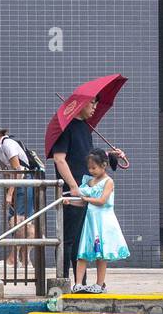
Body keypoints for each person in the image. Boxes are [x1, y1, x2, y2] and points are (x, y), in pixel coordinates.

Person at [50, 97, 128, 277]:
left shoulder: (86, 127)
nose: (95, 107)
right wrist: (73, 186)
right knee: (67, 238)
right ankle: (63, 280)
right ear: (80, 104)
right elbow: (59, 159)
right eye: (92, 102)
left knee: (81, 238)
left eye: (96, 103)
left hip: (87, 190)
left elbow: (89, 158)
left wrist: (111, 155)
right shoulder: (65, 129)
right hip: (73, 192)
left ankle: (80, 283)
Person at [64, 149, 130, 292]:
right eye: (89, 168)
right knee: (83, 252)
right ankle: (78, 284)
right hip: (91, 221)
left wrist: (85, 199)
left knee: (102, 254)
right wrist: (70, 202)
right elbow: (80, 201)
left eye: (94, 168)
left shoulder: (108, 182)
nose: (91, 171)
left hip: (103, 221)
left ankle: (100, 284)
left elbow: (101, 201)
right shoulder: (89, 181)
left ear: (104, 165)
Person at [0, 123, 37, 270]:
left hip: (24, 182)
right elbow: (6, 172)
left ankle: (14, 258)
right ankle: (23, 259)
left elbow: (19, 171)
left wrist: (10, 194)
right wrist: (8, 192)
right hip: (17, 185)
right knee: (18, 220)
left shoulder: (8, 144)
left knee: (20, 220)